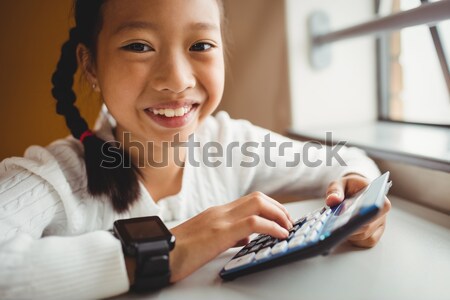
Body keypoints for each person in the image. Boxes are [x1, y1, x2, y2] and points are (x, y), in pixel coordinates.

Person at [0, 0, 391, 298]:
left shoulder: (230, 144)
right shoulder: (54, 176)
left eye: (200, 44)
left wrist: (357, 192)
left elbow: (346, 160)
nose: (176, 79)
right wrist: (169, 249)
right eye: (139, 46)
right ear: (90, 67)